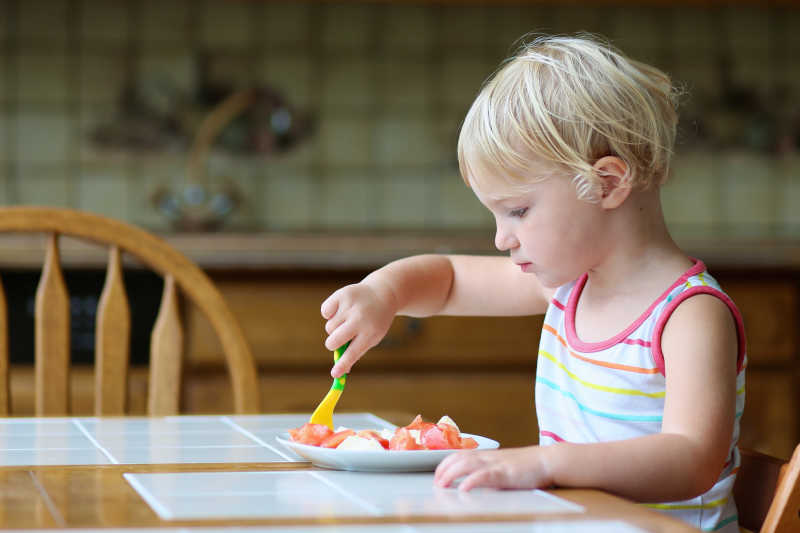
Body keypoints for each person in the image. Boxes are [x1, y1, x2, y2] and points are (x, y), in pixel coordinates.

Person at [320, 34, 745, 532]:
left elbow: (690, 458)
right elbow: (450, 280)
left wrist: (543, 465)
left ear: (607, 183)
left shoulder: (691, 315)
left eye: (518, 211)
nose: (502, 238)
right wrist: (384, 293)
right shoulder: (569, 289)